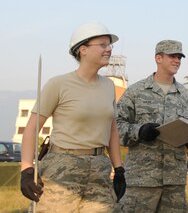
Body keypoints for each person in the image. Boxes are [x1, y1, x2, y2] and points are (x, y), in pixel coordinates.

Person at [19, 21, 126, 211]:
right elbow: (31, 128)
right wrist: (27, 170)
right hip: (62, 168)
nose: (109, 49)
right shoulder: (58, 84)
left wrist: (118, 169)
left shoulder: (109, 86)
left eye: (110, 45)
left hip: (99, 169)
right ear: (83, 50)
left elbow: (112, 130)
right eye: (103, 45)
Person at [116, 40, 188, 212]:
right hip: (142, 179)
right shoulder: (135, 92)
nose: (177, 60)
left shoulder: (185, 96)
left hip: (174, 182)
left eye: (179, 57)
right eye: (172, 56)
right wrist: (139, 131)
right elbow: (116, 127)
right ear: (158, 58)